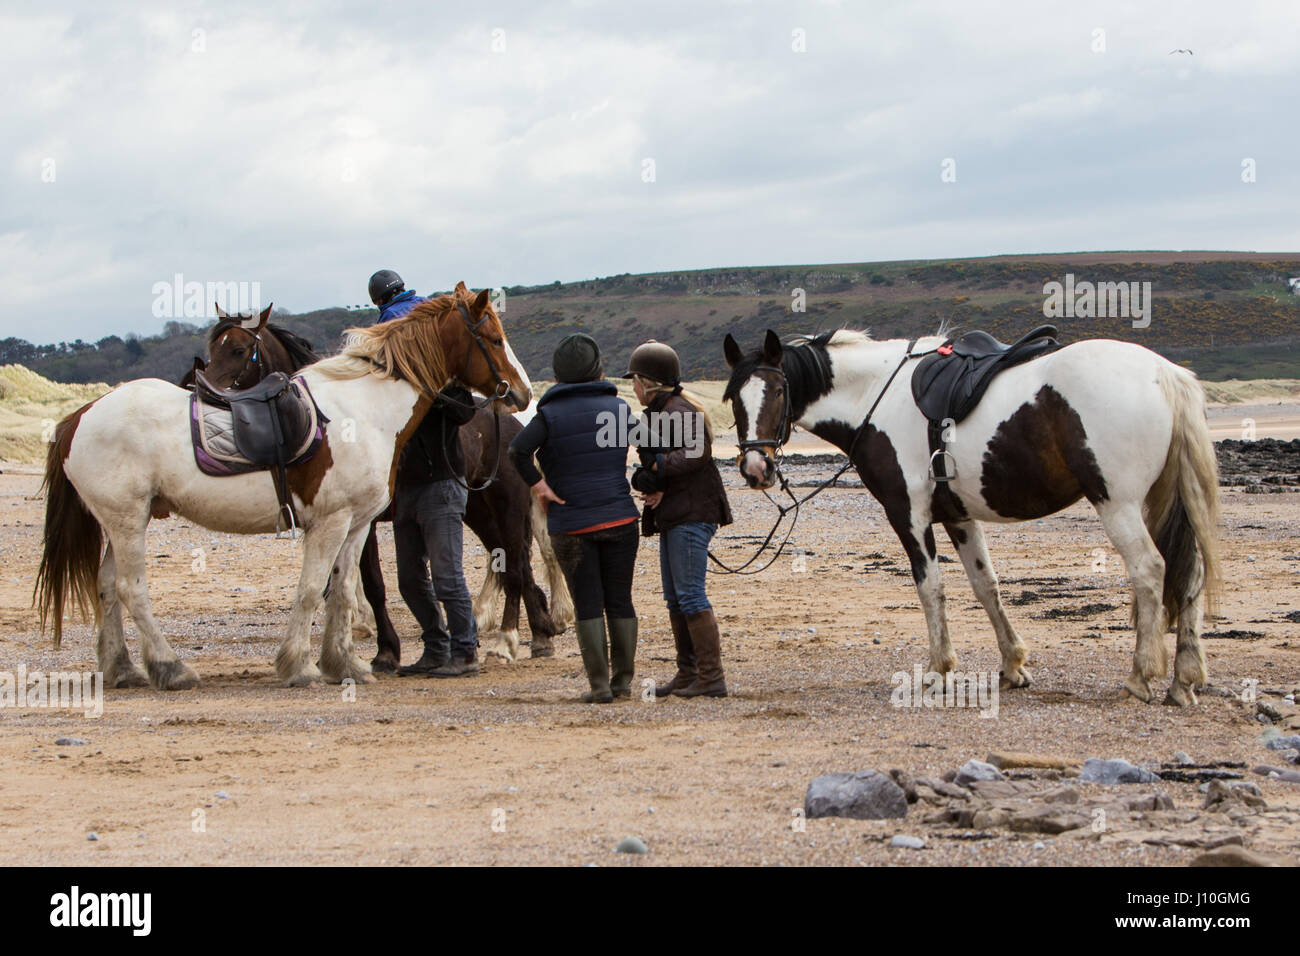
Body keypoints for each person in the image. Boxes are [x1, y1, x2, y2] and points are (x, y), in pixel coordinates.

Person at [508, 334, 639, 703]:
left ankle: (598, 687)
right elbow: (650, 444)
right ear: (597, 369)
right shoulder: (618, 410)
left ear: (558, 375)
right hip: (620, 520)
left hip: (571, 526)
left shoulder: (548, 415)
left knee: (587, 603)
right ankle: (623, 683)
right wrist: (653, 483)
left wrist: (540, 487)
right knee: (620, 600)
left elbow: (517, 451)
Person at [364, 269, 481, 677]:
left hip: (442, 483)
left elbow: (466, 410)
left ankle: (465, 653)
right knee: (410, 582)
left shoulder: (441, 374)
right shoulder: (389, 385)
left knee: (447, 577)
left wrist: (431, 392)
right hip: (408, 487)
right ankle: (436, 647)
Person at [626, 341, 733, 698]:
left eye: (636, 381)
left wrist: (656, 469)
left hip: (693, 513)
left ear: (649, 382)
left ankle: (711, 678)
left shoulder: (678, 410)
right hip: (678, 511)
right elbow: (648, 465)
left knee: (689, 595)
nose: (634, 388)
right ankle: (688, 674)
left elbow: (696, 454)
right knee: (676, 597)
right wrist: (650, 482)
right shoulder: (659, 412)